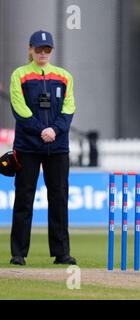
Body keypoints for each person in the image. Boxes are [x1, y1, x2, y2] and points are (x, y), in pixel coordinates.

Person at [9, 30, 77, 265]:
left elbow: (69, 109)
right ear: (30, 49)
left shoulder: (64, 76)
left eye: (47, 49)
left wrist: (54, 131)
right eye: (38, 49)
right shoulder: (19, 74)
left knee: (59, 198)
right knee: (24, 198)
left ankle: (61, 252)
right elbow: (19, 109)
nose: (42, 53)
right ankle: (18, 252)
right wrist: (41, 130)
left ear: (52, 51)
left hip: (57, 147)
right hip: (27, 146)